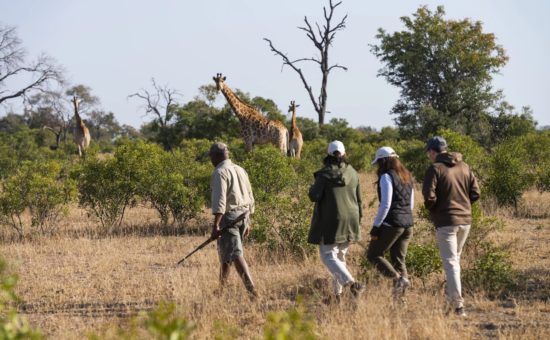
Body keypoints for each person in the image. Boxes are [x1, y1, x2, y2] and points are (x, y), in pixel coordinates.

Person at [422, 136, 480, 317]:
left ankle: (458, 306)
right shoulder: (464, 166)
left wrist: (436, 210)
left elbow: (428, 197)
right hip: (465, 222)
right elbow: (476, 193)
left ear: (432, 151)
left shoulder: (435, 169)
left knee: (451, 263)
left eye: (428, 152)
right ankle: (451, 302)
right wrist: (463, 206)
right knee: (455, 261)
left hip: (446, 222)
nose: (428, 155)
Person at [308, 140, 365, 302]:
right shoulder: (353, 172)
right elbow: (359, 199)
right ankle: (337, 295)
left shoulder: (324, 174)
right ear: (344, 154)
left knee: (327, 255)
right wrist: (358, 221)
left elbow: (314, 196)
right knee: (340, 256)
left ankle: (351, 284)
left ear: (328, 155)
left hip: (332, 219)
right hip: (351, 219)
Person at [208, 142, 258, 298]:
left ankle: (253, 292)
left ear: (216, 156)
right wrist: (249, 220)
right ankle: (221, 290)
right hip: (244, 215)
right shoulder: (240, 169)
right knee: (227, 253)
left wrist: (216, 225)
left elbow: (220, 202)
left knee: (235, 254)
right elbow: (250, 196)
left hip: (229, 218)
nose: (210, 160)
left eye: (211, 156)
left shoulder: (220, 172)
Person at [367, 146, 414, 299]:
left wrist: (376, 226)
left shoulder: (386, 176)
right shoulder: (407, 175)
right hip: (408, 224)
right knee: (399, 260)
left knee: (373, 254)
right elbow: (411, 204)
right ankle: (401, 299)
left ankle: (397, 280)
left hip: (393, 224)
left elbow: (385, 204)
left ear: (383, 161)